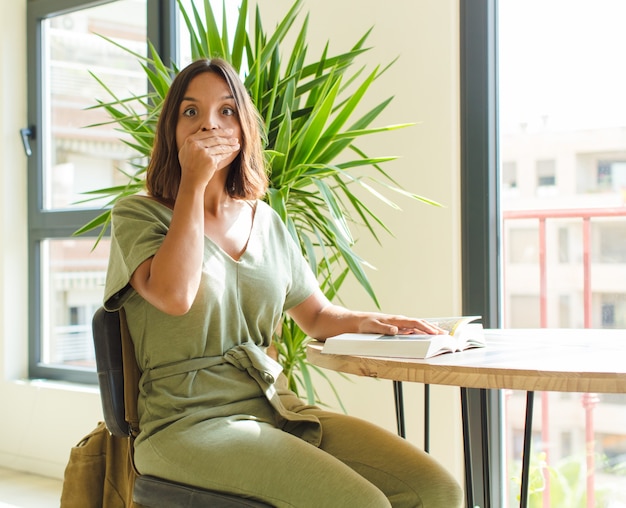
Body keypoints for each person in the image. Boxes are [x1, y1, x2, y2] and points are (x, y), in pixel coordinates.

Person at [104, 57, 463, 508]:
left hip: (275, 406)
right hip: (185, 423)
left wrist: (380, 321)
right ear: (171, 131)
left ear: (243, 129)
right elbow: (175, 296)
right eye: (190, 112)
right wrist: (194, 184)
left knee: (435, 490)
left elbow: (315, 315)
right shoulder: (137, 214)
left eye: (227, 111)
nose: (208, 125)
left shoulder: (266, 221)